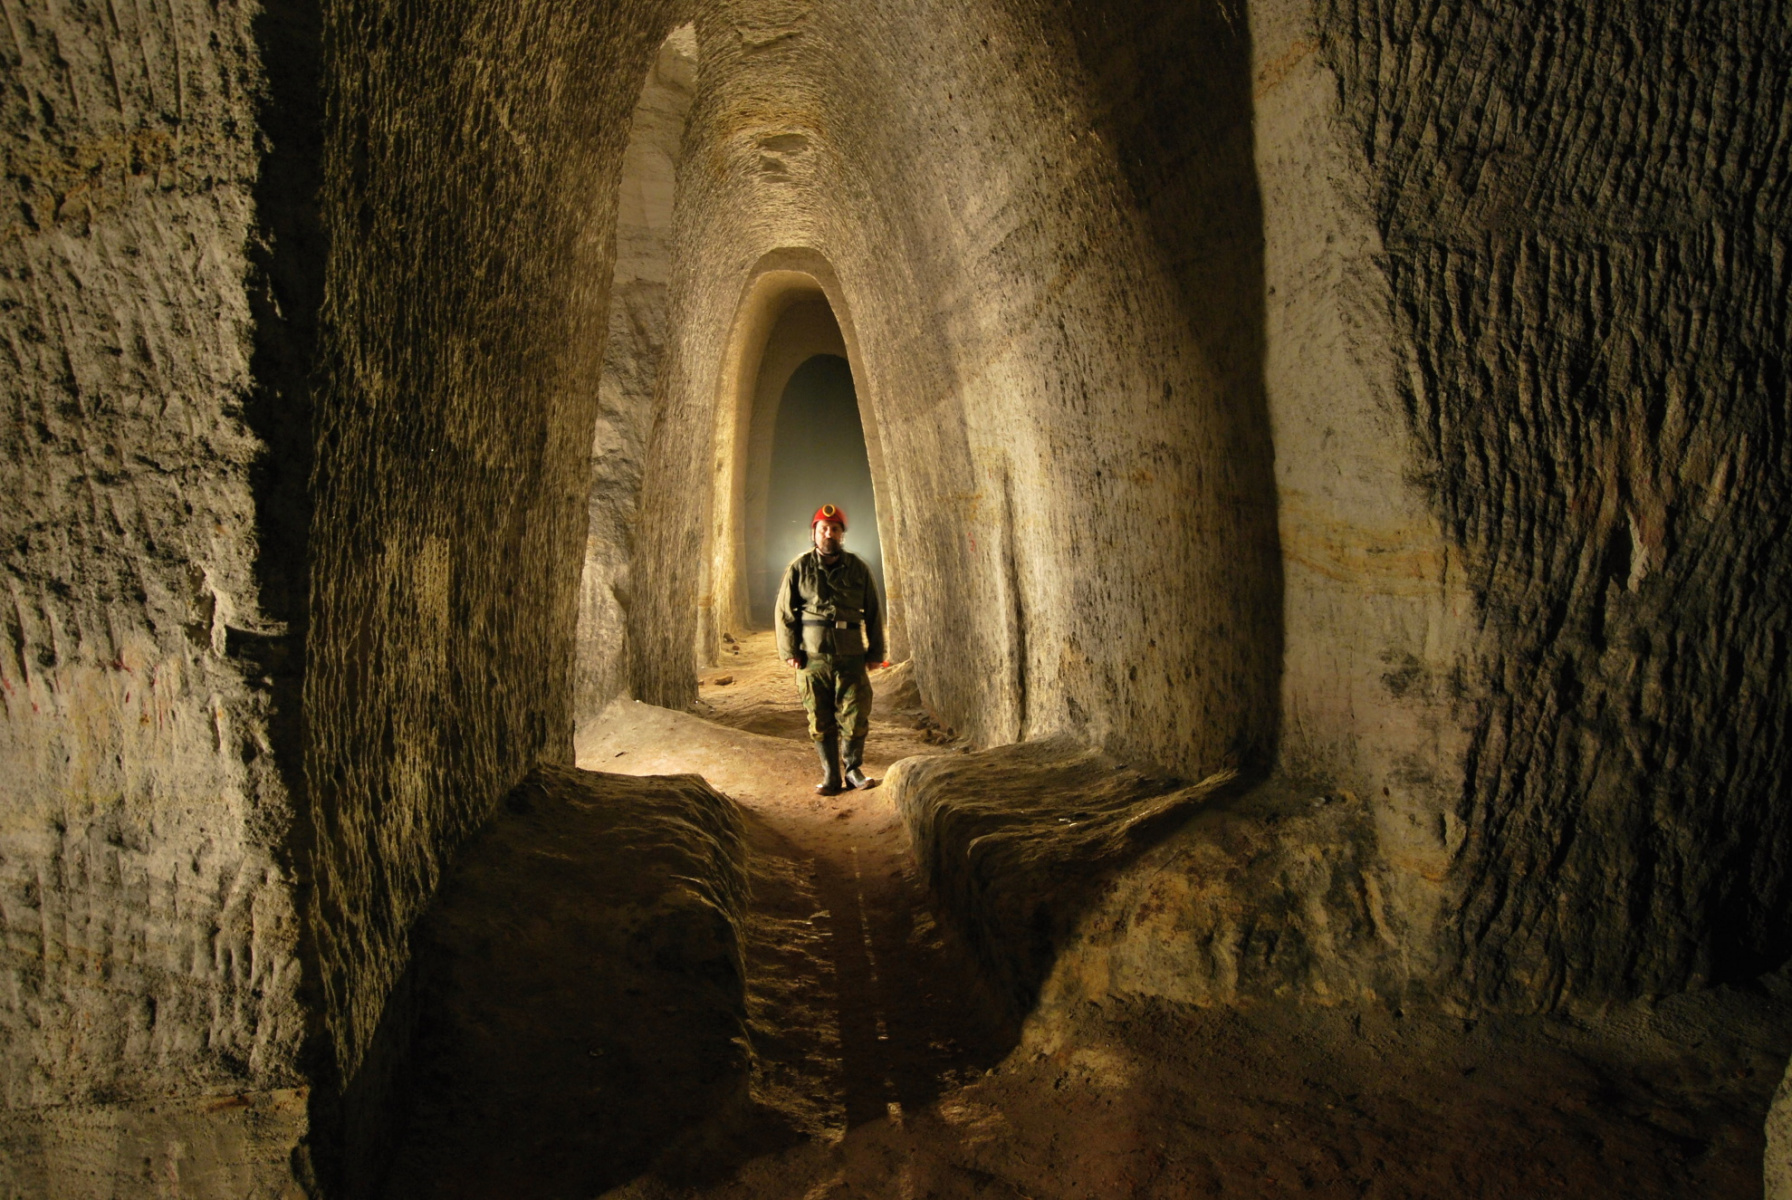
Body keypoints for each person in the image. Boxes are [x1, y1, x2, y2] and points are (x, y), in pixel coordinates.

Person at [776, 503, 886, 794]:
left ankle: (853, 769)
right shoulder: (799, 568)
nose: (829, 534)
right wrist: (790, 651)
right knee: (819, 717)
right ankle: (830, 775)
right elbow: (785, 613)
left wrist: (876, 653)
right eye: (823, 529)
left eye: (835, 529)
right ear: (813, 534)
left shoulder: (859, 569)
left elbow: (873, 612)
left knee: (856, 714)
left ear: (842, 534)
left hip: (851, 654)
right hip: (812, 656)